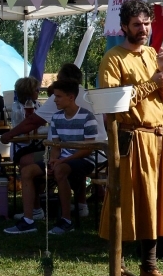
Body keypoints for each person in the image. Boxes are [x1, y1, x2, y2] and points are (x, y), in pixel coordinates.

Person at [98, 0, 163, 276]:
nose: (144, 29)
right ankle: (118, 270)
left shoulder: (151, 54)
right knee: (123, 203)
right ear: (124, 26)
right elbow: (113, 102)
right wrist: (152, 81)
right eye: (137, 24)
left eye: (147, 23)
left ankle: (149, 268)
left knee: (155, 203)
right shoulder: (114, 59)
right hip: (131, 138)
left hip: (159, 140)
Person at [5, 79, 98, 235]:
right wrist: (53, 159)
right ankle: (29, 220)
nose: (54, 100)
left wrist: (61, 160)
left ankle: (66, 220)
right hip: (62, 160)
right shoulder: (56, 118)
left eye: (58, 96)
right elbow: (55, 145)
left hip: (83, 160)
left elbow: (88, 149)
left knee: (60, 170)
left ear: (71, 97)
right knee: (27, 171)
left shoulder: (88, 117)